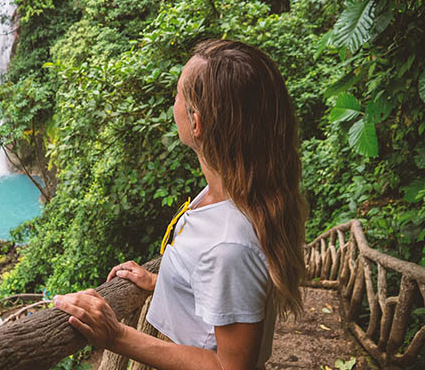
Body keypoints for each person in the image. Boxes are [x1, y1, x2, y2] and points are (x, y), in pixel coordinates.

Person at [53, 40, 307, 370]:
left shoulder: (230, 244)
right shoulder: (234, 193)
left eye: (177, 95)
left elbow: (228, 367)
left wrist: (116, 335)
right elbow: (217, 289)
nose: (172, 104)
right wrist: (167, 282)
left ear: (196, 122)